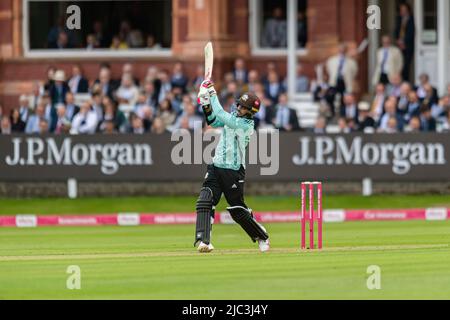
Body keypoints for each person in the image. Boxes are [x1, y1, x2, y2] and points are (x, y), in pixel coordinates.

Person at [194, 80, 270, 253]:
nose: (238, 107)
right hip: (216, 165)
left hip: (233, 170)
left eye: (242, 107)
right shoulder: (234, 118)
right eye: (239, 104)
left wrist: (211, 93)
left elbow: (220, 114)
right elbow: (213, 121)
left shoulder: (245, 125)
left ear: (250, 113)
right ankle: (204, 241)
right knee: (205, 199)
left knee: (237, 210)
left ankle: (261, 236)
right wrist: (206, 103)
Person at [394, 3, 415, 82]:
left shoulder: (412, 19)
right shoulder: (399, 19)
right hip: (399, 45)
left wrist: (404, 42)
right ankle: (399, 82)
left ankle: (406, 82)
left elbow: (411, 32)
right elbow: (396, 30)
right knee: (399, 65)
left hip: (408, 46)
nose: (403, 12)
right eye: (401, 10)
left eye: (404, 10)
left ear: (408, 10)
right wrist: (398, 40)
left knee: (406, 65)